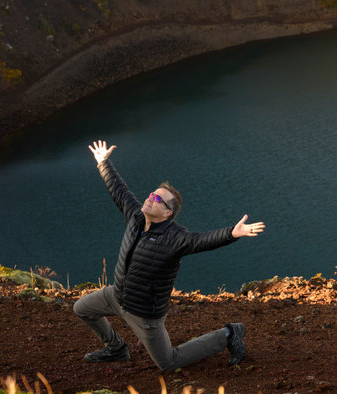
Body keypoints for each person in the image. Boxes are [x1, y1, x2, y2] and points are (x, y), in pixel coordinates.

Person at [73, 140, 265, 371]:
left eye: (157, 199)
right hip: (117, 295)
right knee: (81, 308)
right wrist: (103, 162)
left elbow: (201, 240)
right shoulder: (135, 217)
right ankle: (116, 349)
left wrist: (232, 233)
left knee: (168, 363)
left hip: (144, 313)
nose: (149, 198)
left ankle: (228, 334)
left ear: (167, 212)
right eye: (152, 194)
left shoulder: (176, 238)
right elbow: (119, 190)